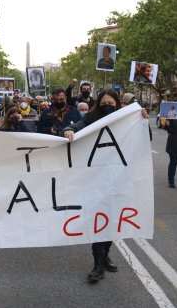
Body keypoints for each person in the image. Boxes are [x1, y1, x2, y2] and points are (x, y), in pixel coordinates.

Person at [62, 89, 124, 283]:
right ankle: (98, 264)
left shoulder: (125, 119)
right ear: (99, 104)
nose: (108, 106)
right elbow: (75, 126)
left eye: (111, 103)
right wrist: (68, 130)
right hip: (96, 178)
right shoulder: (91, 118)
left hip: (118, 178)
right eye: (104, 103)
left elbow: (143, 136)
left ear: (117, 104)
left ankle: (105, 255)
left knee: (112, 220)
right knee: (99, 219)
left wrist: (142, 118)